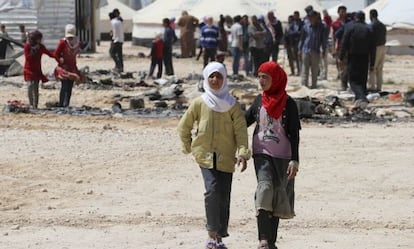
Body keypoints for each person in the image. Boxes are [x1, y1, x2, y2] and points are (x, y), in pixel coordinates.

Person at [178, 62, 250, 249]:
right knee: (212, 190)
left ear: (224, 78)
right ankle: (211, 234)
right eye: (212, 76)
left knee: (224, 195)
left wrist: (243, 153)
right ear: (206, 78)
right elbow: (184, 126)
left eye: (219, 76)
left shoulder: (233, 106)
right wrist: (188, 147)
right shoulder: (199, 103)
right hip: (205, 156)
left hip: (226, 157)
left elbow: (241, 131)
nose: (215, 80)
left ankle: (219, 236)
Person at [245, 61, 300, 249]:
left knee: (277, 196)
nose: (261, 81)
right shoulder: (258, 101)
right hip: (262, 154)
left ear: (275, 79)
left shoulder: (290, 104)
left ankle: (271, 242)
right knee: (264, 189)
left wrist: (295, 160)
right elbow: (244, 122)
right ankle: (263, 239)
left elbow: (294, 134)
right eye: (259, 76)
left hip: (284, 156)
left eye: (265, 77)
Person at [339, 11, 375, 109]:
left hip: (353, 57)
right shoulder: (369, 29)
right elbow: (373, 48)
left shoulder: (351, 28)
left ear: (355, 18)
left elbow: (344, 42)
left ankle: (361, 97)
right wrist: (372, 62)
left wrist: (341, 57)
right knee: (362, 79)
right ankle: (360, 98)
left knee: (353, 80)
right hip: (365, 57)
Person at [54, 24, 84, 107]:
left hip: (72, 67)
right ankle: (61, 104)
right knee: (64, 86)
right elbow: (56, 54)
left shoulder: (77, 43)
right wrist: (60, 61)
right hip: (64, 68)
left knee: (70, 87)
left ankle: (66, 104)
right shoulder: (63, 42)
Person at [23, 30, 54, 109]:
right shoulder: (27, 46)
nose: (40, 40)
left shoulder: (41, 47)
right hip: (29, 69)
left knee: (36, 88)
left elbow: (49, 54)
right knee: (30, 86)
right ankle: (30, 104)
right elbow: (28, 58)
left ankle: (35, 106)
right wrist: (34, 51)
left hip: (37, 70)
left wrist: (58, 56)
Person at [299, 11, 327, 89]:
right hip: (306, 50)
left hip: (315, 50)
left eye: (313, 17)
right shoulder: (305, 26)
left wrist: (324, 50)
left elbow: (323, 40)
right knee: (305, 69)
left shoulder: (321, 27)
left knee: (314, 70)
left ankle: (314, 85)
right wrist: (299, 49)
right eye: (310, 17)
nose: (311, 19)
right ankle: (304, 86)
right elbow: (302, 39)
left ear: (316, 17)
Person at [368, 9, 387, 92]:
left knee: (372, 67)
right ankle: (379, 87)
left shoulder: (371, 25)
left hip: (375, 48)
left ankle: (372, 87)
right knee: (380, 68)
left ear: (371, 15)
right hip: (383, 47)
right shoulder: (382, 25)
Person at [332, 5, 348, 89]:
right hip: (339, 48)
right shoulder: (335, 24)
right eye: (341, 11)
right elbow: (334, 37)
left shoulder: (349, 22)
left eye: (344, 11)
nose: (343, 13)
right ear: (338, 12)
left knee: (348, 66)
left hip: (348, 48)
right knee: (340, 66)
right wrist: (333, 49)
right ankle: (343, 84)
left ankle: (346, 82)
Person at [110, 8, 124, 73]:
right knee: (119, 54)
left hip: (116, 40)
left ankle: (118, 66)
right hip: (121, 39)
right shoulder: (120, 21)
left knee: (112, 53)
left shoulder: (113, 21)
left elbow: (114, 32)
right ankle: (121, 67)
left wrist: (113, 38)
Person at [320, 10, 332, 80]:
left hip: (324, 43)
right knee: (322, 61)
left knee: (323, 61)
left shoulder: (325, 22)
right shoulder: (325, 21)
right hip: (323, 42)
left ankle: (324, 75)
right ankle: (323, 74)